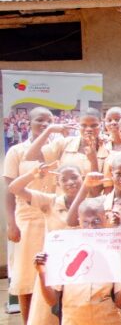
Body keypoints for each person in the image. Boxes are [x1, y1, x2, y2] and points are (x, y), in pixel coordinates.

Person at [32, 197, 121, 325]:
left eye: (97, 221)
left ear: (106, 219)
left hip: (106, 318)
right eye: (86, 222)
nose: (91, 227)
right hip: (73, 319)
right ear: (79, 221)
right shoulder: (65, 247)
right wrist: (42, 273)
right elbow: (52, 300)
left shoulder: (115, 250)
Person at [3, 107, 54, 323]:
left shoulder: (56, 148)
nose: (44, 124)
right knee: (26, 277)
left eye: (49, 121)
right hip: (27, 219)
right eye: (39, 120)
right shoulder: (16, 151)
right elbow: (7, 189)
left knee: (52, 275)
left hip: (52, 217)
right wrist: (11, 223)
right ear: (29, 123)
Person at [25, 108, 110, 175]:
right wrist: (49, 130)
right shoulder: (64, 144)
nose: (88, 129)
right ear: (78, 125)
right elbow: (30, 156)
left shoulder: (107, 147)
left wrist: (93, 160)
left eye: (94, 125)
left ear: (101, 125)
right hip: (63, 196)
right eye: (83, 125)